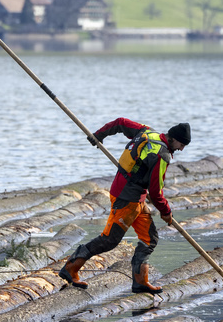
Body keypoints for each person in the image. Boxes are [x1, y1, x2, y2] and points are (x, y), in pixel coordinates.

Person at [60, 118, 191, 295]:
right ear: (173, 138)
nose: (181, 149)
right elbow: (155, 191)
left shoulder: (147, 131)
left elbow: (120, 122)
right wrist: (166, 212)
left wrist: (101, 134)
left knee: (149, 239)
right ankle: (70, 268)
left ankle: (140, 282)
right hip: (125, 198)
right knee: (109, 240)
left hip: (136, 198)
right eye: (181, 144)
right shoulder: (162, 155)